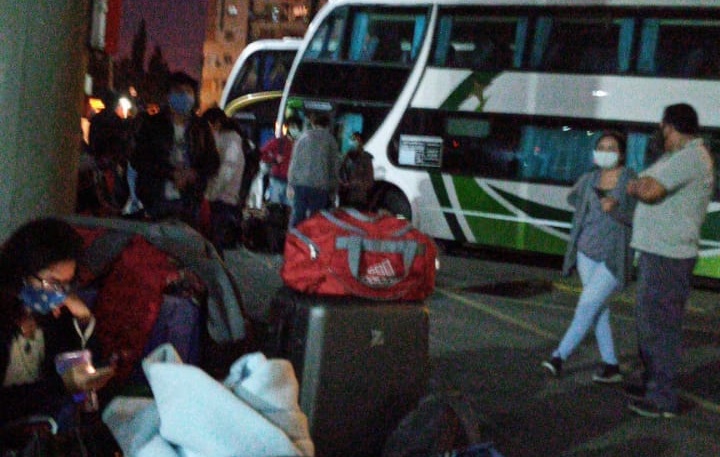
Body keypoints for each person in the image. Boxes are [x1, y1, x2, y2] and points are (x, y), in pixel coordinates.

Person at [624, 103, 714, 418]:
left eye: (664, 129)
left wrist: (635, 186)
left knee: (659, 327)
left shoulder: (690, 156)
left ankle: (661, 398)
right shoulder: (675, 156)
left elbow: (648, 189)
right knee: (650, 323)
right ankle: (651, 383)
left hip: (668, 256)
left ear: (670, 127)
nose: (662, 135)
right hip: (659, 252)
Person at [542, 131, 637, 383]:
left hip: (613, 257)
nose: (605, 151)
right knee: (598, 310)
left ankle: (558, 357)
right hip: (586, 253)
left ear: (622, 153)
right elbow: (573, 198)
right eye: (601, 147)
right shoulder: (589, 178)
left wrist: (616, 211)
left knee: (586, 305)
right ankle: (611, 365)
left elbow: (637, 219)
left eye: (611, 147)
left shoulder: (630, 180)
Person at [0, 218, 114, 428]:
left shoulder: (54, 314)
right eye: (53, 283)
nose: (59, 292)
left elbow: (81, 365)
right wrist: (63, 385)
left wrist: (84, 321)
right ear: (22, 272)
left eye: (66, 284)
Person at [131, 71, 220, 230]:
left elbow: (212, 162)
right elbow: (139, 159)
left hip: (189, 201)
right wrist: (171, 173)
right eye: (179, 91)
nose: (184, 96)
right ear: (168, 96)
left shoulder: (201, 128)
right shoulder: (152, 124)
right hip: (156, 199)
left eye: (188, 92)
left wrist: (194, 173)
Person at [201, 107, 246, 253]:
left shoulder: (231, 140)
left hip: (223, 200)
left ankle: (216, 274)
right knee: (211, 242)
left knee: (214, 244)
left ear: (217, 123)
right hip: (218, 198)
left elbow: (227, 170)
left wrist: (210, 194)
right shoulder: (223, 138)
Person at [287, 112, 340, 227]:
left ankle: (293, 240)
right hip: (320, 186)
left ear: (313, 123)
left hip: (301, 184)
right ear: (328, 125)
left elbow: (294, 162)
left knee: (298, 216)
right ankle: (310, 242)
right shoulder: (331, 141)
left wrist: (290, 183)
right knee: (315, 219)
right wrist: (333, 189)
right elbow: (334, 167)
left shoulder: (303, 138)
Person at [260, 115, 302, 207]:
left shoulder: (301, 144)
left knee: (289, 209)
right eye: (293, 127)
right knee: (275, 208)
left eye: (297, 127)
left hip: (293, 183)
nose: (295, 130)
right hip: (278, 179)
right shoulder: (279, 142)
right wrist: (274, 159)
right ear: (288, 127)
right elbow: (262, 153)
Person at [339, 132, 374, 210]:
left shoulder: (366, 159)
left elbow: (369, 181)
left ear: (361, 143)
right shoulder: (345, 158)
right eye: (351, 140)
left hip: (358, 198)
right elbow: (340, 174)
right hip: (344, 197)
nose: (352, 142)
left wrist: (354, 183)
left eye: (355, 140)